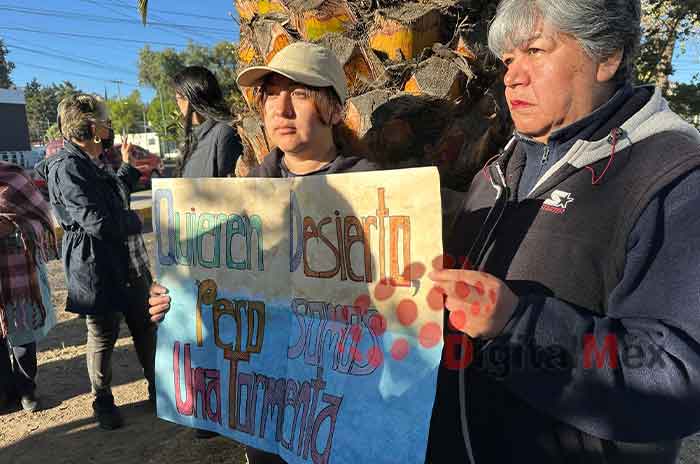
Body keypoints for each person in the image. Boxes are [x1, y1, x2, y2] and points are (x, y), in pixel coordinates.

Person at [427, 0, 700, 463]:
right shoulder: (493, 175)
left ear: (607, 55)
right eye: (509, 59)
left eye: (535, 50)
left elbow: (679, 378)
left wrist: (518, 325)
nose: (512, 76)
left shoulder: (673, 177)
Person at [148, 41, 378, 462]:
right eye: (270, 93)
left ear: (333, 108)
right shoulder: (241, 198)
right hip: (265, 411)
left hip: (343, 407)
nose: (281, 108)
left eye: (301, 93)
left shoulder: (378, 193)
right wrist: (174, 301)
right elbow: (215, 288)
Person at [40, 94, 156, 430]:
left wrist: (128, 168)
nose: (109, 126)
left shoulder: (92, 160)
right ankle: (102, 401)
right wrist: (139, 220)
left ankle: (158, 389)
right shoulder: (67, 167)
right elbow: (98, 222)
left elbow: (114, 198)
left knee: (145, 326)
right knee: (103, 334)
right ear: (91, 127)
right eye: (104, 120)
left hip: (128, 261)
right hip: (97, 265)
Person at [0, 162, 58, 413]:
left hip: (18, 273)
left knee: (23, 334)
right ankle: (5, 391)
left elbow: (43, 221)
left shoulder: (13, 176)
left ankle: (26, 388)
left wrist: (13, 227)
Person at [173, 65, 243, 178]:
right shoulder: (193, 140)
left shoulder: (224, 133)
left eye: (178, 98)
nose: (177, 104)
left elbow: (229, 189)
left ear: (191, 98)